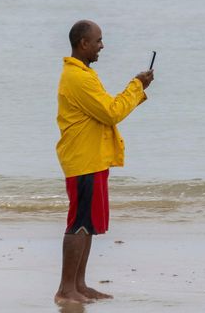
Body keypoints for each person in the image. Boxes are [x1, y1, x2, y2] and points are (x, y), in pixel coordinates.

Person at [54, 20, 154, 304]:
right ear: (83, 44)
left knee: (89, 223)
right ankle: (65, 289)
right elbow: (111, 112)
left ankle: (79, 285)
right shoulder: (78, 78)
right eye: (98, 40)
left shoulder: (83, 74)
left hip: (93, 158)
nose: (102, 45)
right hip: (83, 159)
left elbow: (106, 109)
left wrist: (136, 88)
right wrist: (136, 86)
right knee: (79, 224)